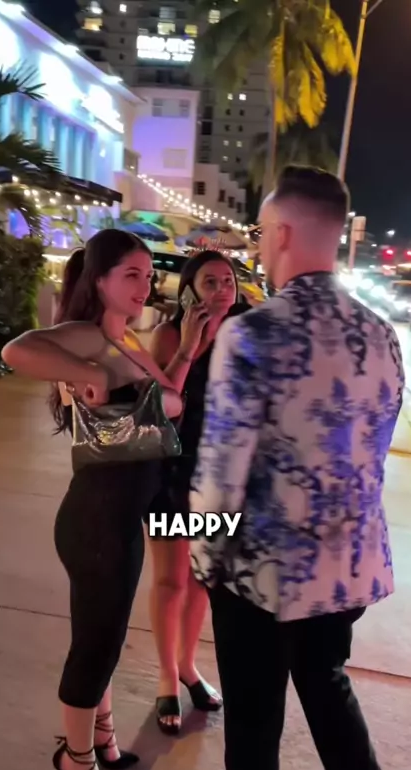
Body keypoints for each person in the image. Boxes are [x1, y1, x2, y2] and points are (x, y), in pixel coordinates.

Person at [190, 167, 409, 770]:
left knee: (254, 725)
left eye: (261, 231)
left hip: (263, 575)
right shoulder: (381, 333)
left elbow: (220, 475)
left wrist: (199, 554)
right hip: (349, 568)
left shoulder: (254, 334)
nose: (259, 244)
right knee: (324, 678)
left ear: (282, 231)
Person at [2, 230, 182, 770]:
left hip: (118, 517)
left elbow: (169, 403)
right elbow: (17, 351)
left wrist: (187, 347)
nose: (144, 285)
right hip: (99, 520)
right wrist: (95, 375)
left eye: (148, 275)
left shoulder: (126, 338)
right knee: (95, 647)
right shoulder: (89, 336)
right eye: (131, 274)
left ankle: (102, 738)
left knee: (103, 638)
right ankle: (76, 761)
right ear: (99, 280)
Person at [148, 250, 248, 734]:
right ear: (189, 290)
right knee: (170, 580)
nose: (222, 290)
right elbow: (159, 406)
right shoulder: (169, 334)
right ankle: (167, 677)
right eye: (210, 281)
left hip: (220, 478)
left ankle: (188, 666)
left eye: (228, 281)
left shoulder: (244, 334)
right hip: (172, 473)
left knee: (201, 581)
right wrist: (191, 345)